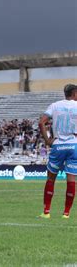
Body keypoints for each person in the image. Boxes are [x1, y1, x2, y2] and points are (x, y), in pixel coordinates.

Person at [38, 83, 77, 219]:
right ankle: (66, 214)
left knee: (51, 178)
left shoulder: (55, 105)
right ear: (74, 94)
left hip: (58, 145)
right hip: (73, 145)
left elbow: (41, 122)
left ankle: (46, 212)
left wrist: (48, 140)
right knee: (71, 179)